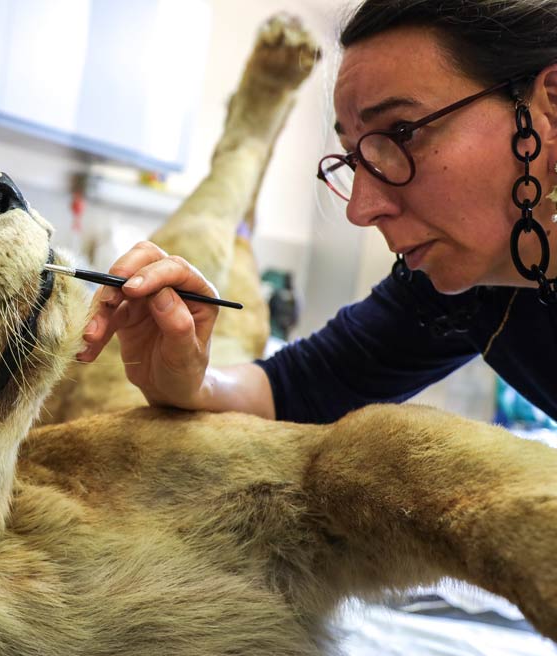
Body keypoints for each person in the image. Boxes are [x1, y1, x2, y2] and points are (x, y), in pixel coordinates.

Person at [77, 0, 557, 424]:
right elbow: (295, 388)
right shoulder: (455, 293)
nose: (361, 210)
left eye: (403, 132)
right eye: (355, 158)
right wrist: (188, 382)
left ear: (549, 108)